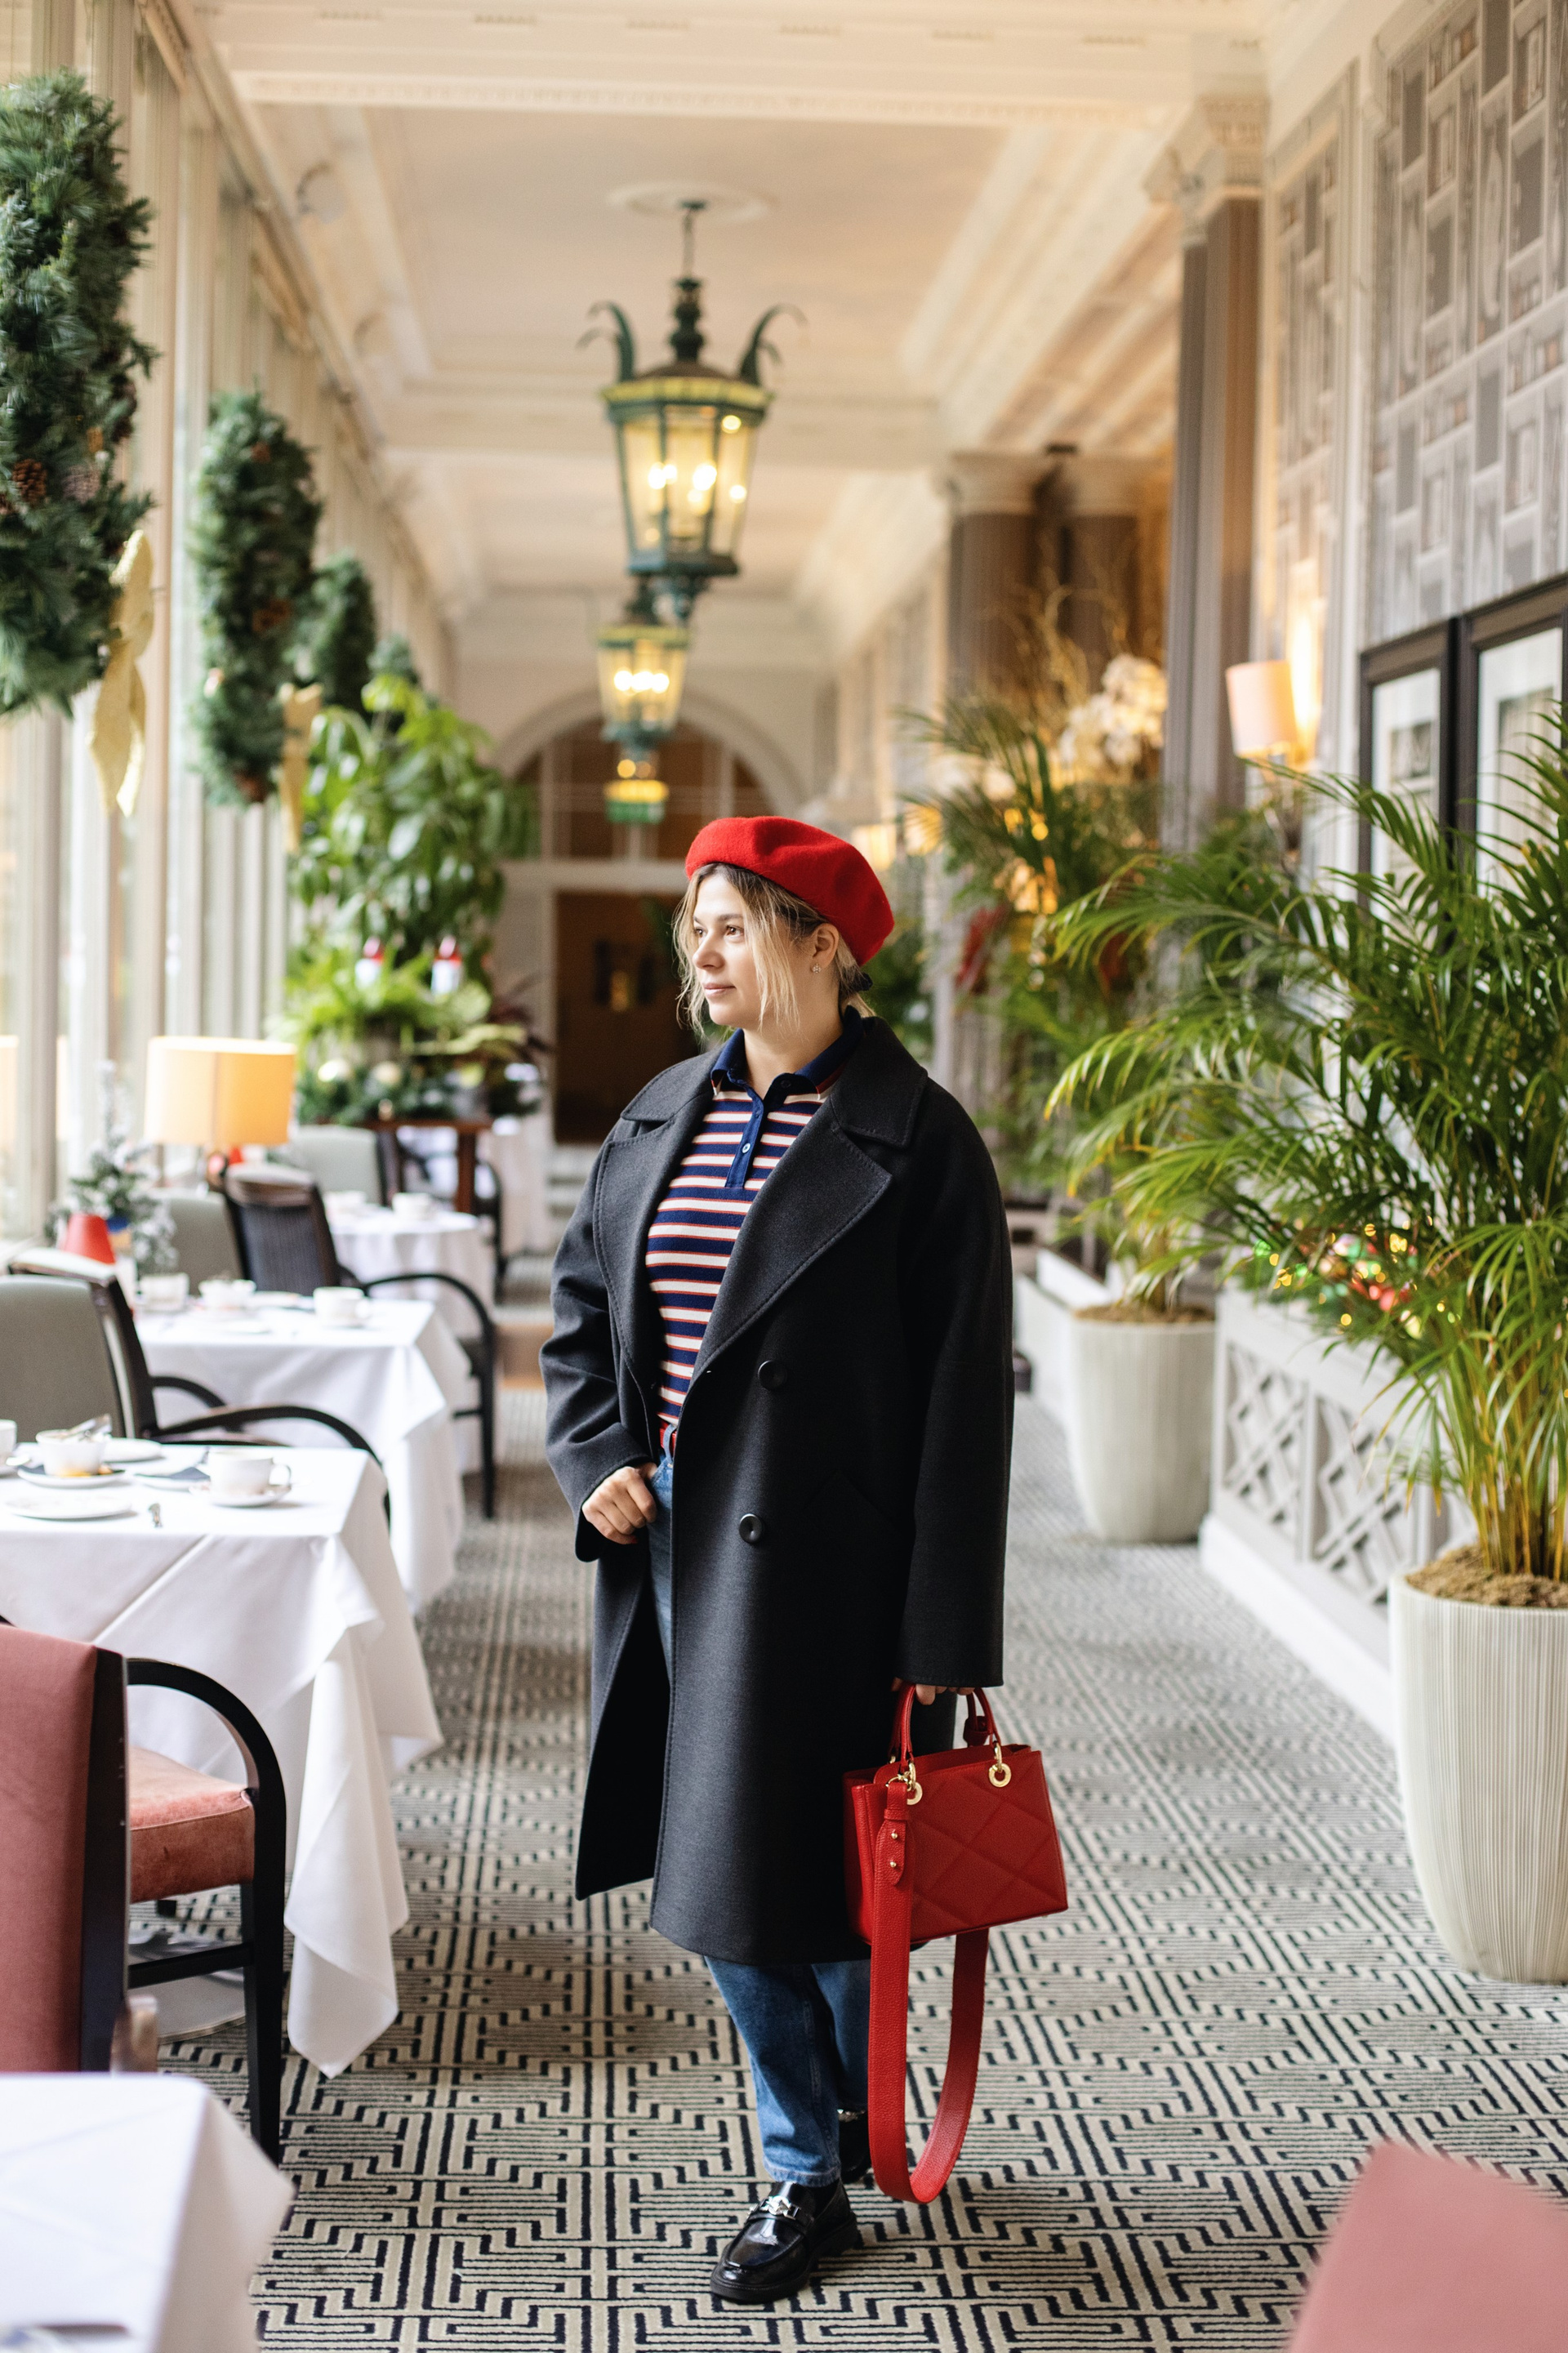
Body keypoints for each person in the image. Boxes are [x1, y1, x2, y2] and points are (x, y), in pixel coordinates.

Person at [543, 814, 1013, 2302]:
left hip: (841, 1573)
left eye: (733, 923)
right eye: (695, 924)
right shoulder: (658, 1114)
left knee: (843, 1883)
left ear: (822, 944)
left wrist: (944, 1632)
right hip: (680, 1554)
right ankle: (810, 2160)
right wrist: (597, 1456)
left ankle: (838, 2128)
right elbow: (580, 1321)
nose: (703, 950)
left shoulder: (922, 1140)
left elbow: (965, 1409)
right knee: (724, 1873)